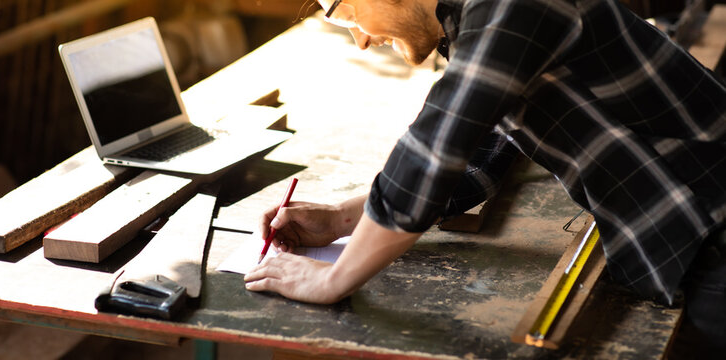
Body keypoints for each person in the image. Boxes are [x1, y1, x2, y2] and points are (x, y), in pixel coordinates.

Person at [243, 0, 726, 354]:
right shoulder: (481, 22)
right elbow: (479, 157)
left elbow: (435, 147)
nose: (362, 39)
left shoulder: (507, 7)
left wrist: (334, 281)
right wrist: (344, 218)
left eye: (347, 15)